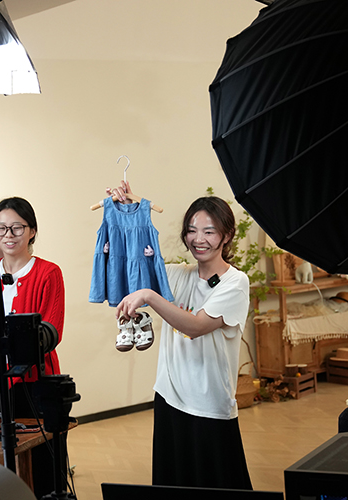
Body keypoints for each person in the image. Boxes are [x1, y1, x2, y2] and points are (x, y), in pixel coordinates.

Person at [110, 181, 253, 490]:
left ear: (227, 235)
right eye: (191, 230)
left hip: (209, 404)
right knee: (172, 487)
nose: (198, 239)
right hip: (169, 398)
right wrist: (127, 213)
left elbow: (196, 326)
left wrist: (150, 295)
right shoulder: (177, 274)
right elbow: (132, 262)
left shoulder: (236, 283)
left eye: (209, 232)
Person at [0, 197, 65, 390]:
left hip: (35, 384)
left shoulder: (48, 273)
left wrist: (1, 381)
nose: (8, 235)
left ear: (32, 231)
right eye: (1, 228)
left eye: (17, 228)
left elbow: (48, 335)